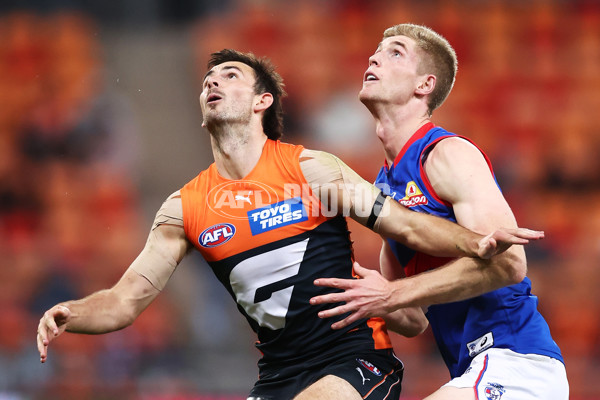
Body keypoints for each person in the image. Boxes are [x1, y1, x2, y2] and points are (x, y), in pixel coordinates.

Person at [36, 49, 542, 400]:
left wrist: (476, 242)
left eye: (231, 75)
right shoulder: (183, 208)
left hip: (354, 359)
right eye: (210, 79)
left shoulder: (311, 169)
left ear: (262, 102)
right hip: (278, 374)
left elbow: (406, 227)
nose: (213, 81)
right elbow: (126, 300)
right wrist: (70, 312)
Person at [309, 24, 569, 399]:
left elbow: (510, 265)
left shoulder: (447, 153)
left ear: (424, 85)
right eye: (377, 50)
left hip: (515, 360)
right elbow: (413, 318)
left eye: (395, 52)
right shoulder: (386, 186)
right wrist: (345, 284)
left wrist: (388, 296)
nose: (374, 56)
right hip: (474, 369)